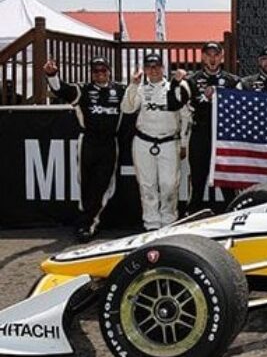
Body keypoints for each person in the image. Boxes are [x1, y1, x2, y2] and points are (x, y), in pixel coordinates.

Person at [43, 56, 125, 241]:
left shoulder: (120, 89)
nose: (100, 74)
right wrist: (52, 74)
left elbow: (136, 102)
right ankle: (85, 221)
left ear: (109, 71)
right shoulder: (83, 90)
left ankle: (91, 222)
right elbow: (60, 89)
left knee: (103, 184)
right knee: (86, 182)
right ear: (91, 74)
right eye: (96, 71)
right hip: (87, 140)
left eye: (103, 70)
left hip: (110, 142)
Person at [121, 53, 190, 231]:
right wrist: (133, 85)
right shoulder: (141, 89)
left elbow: (185, 116)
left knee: (169, 185)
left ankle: (169, 222)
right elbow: (127, 108)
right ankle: (151, 224)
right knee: (147, 185)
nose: (153, 70)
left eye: (157, 66)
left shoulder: (175, 87)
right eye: (150, 67)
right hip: (144, 141)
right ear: (144, 69)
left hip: (169, 141)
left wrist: (184, 143)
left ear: (163, 68)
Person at [170, 42, 239, 214]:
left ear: (221, 57)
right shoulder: (192, 80)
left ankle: (234, 217)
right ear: (202, 57)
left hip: (224, 137)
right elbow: (173, 104)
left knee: (227, 183)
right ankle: (193, 216)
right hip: (200, 133)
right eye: (209, 55)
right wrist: (175, 82)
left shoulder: (233, 81)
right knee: (198, 181)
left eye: (216, 54)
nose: (212, 58)